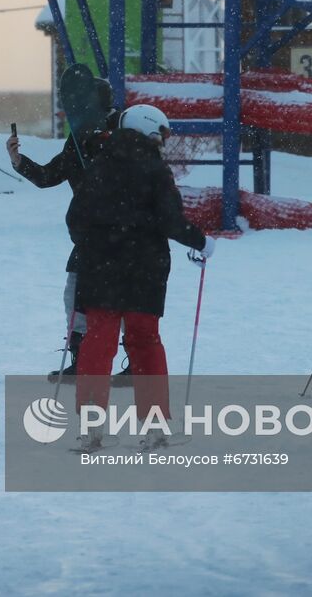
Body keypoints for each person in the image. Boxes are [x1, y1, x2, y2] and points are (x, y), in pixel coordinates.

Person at [67, 104, 214, 452]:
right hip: (145, 272)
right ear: (149, 131)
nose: (163, 142)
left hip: (100, 270)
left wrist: (94, 244)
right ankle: (155, 427)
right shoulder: (155, 170)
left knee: (97, 343)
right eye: (161, 134)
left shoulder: (99, 165)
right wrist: (202, 242)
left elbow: (76, 219)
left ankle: (92, 427)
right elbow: (171, 221)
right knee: (145, 343)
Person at [7, 77, 119, 379]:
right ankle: (82, 360)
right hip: (87, 235)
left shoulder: (123, 131)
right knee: (75, 296)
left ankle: (136, 365)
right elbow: (48, 175)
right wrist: (19, 161)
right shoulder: (78, 138)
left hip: (123, 235)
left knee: (124, 300)